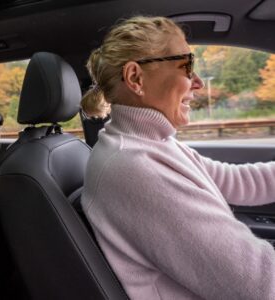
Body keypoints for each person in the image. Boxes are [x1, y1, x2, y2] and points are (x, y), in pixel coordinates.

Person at [81, 16, 275, 300]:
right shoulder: (134, 168)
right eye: (187, 66)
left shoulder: (154, 144)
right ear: (136, 78)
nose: (197, 82)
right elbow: (261, 284)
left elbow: (237, 181)